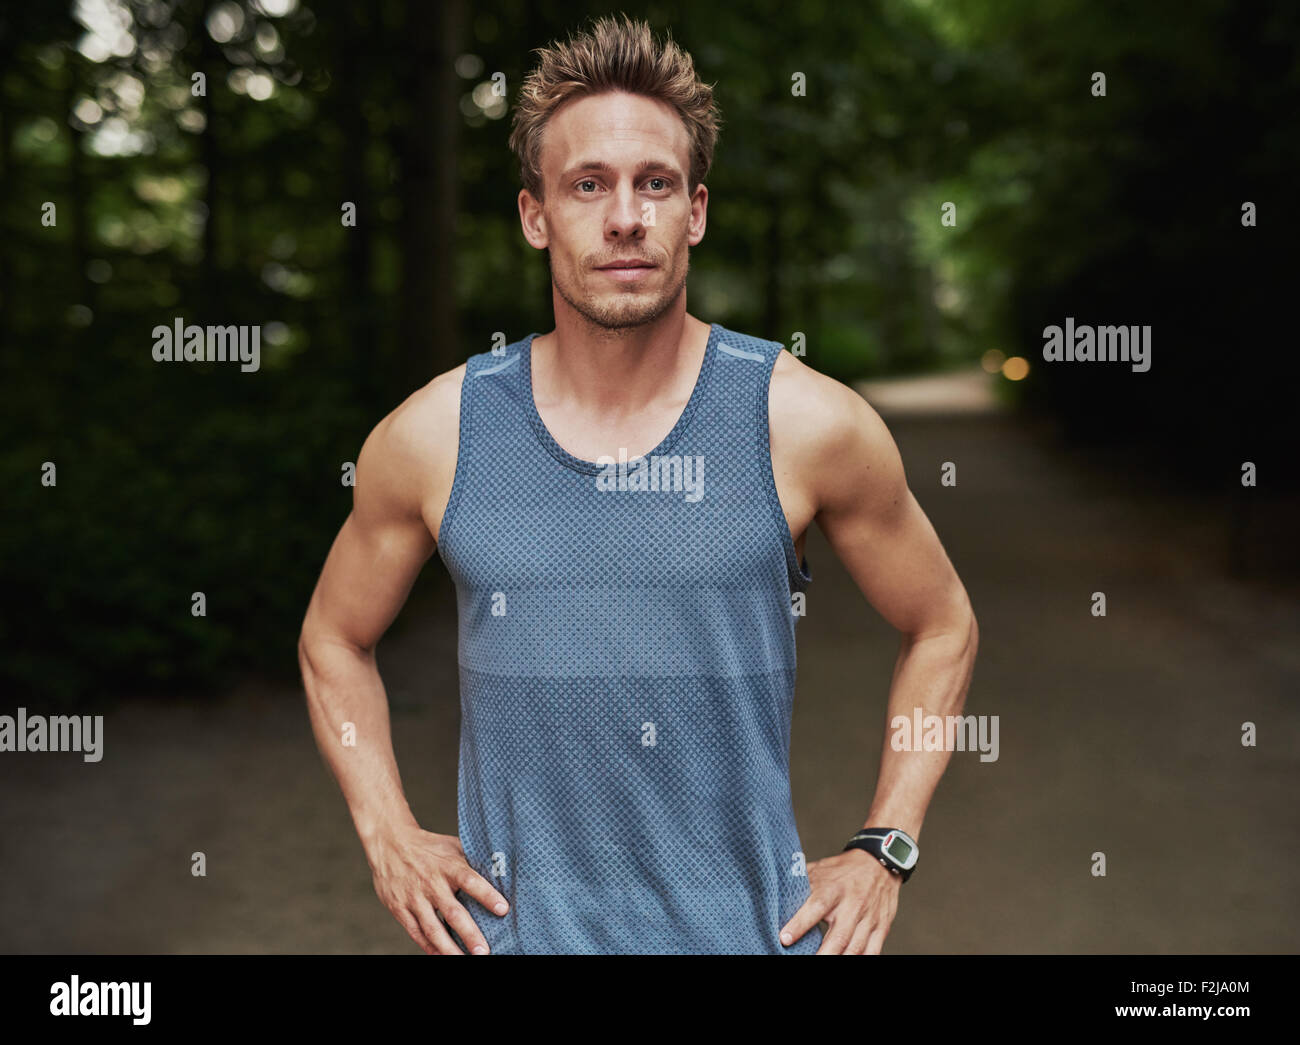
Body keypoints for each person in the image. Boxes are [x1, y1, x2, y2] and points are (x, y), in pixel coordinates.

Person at [298, 14, 978, 955]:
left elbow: (943, 623)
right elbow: (333, 636)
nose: (626, 216)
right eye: (588, 185)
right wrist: (386, 833)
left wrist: (884, 845)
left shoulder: (806, 423)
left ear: (695, 210)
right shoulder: (435, 435)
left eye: (655, 183)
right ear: (536, 215)